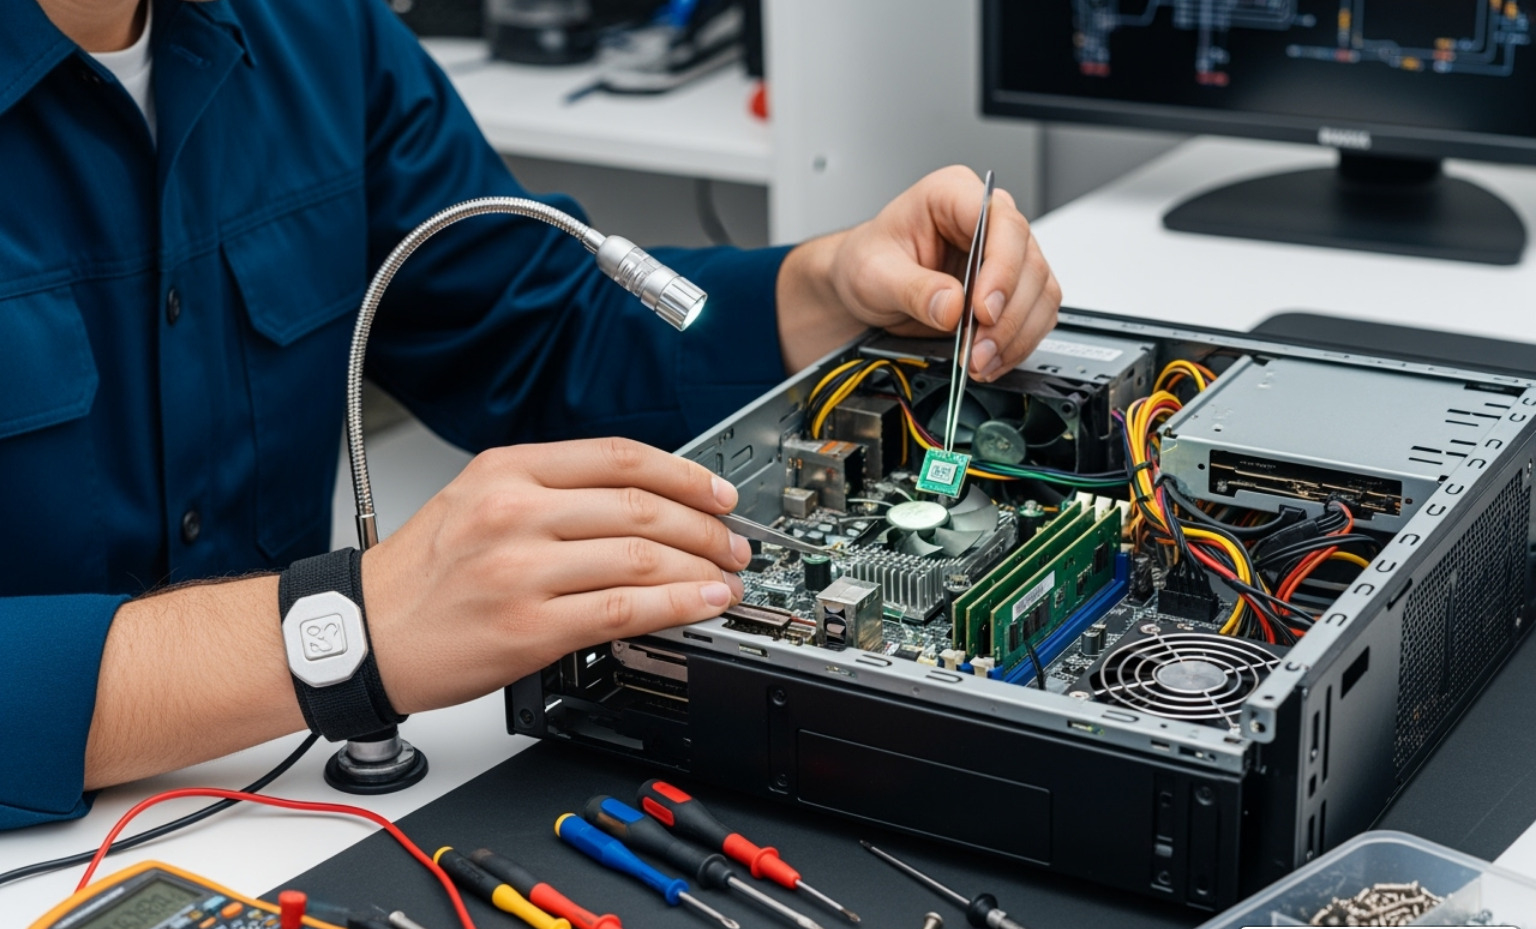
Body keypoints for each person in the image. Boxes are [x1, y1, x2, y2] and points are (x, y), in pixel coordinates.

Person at [0, 0, 1061, 829]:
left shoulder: (314, 28)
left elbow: (533, 327)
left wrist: (825, 287)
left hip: (288, 814)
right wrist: (346, 629)